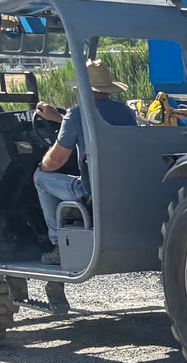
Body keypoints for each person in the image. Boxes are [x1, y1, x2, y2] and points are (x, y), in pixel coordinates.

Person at [33, 61, 135, 317]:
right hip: (122, 187)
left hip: (91, 192)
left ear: (84, 87)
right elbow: (90, 126)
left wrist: (41, 165)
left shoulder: (77, 114)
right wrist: (58, 118)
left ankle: (57, 244)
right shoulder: (125, 114)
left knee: (40, 179)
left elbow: (56, 160)